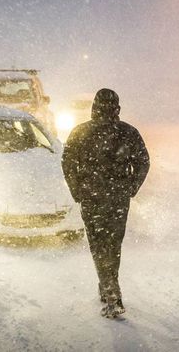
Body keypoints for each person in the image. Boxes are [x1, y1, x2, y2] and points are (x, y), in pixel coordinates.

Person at [61, 88, 150, 318]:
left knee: (98, 244)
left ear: (94, 106)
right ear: (117, 108)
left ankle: (111, 292)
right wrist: (131, 187)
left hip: (91, 197)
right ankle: (108, 285)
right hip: (117, 198)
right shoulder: (128, 132)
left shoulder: (80, 132)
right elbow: (143, 162)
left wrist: (77, 190)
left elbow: (68, 164)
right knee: (113, 244)